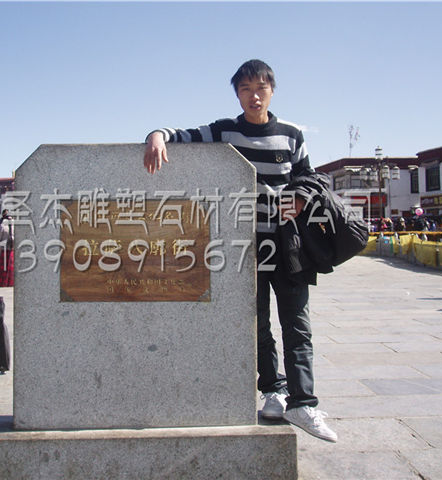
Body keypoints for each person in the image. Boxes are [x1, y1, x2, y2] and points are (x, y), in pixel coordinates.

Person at [143, 59, 337, 442]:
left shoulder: (292, 135)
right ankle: (274, 392)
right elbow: (182, 135)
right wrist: (156, 135)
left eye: (260, 88)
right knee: (257, 323)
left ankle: (303, 403)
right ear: (237, 94)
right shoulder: (225, 130)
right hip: (246, 246)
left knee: (297, 325)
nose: (254, 96)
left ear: (272, 91)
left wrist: (299, 196)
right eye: (245, 89)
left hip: (288, 244)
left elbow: (312, 177)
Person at [0, 210, 14, 287]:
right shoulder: (15, 224)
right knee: (11, 266)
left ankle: (2, 282)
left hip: (4, 248)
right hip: (12, 248)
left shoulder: (2, 224)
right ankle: (11, 282)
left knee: (3, 267)